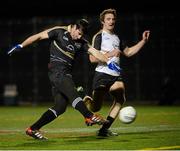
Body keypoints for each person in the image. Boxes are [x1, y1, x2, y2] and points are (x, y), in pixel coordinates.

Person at [7, 18, 121, 140]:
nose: (79, 36)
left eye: (82, 35)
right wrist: (21, 45)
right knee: (74, 94)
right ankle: (89, 116)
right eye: (79, 33)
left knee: (60, 107)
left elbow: (95, 52)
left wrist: (108, 61)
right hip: (57, 72)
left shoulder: (81, 42)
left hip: (64, 74)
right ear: (74, 27)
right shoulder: (59, 31)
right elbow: (38, 36)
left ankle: (33, 129)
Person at [83, 8, 150, 137]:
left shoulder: (117, 38)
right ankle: (89, 102)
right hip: (102, 75)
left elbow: (129, 52)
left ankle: (103, 130)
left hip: (115, 74)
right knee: (96, 108)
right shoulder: (99, 36)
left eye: (113, 19)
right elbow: (92, 59)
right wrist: (110, 54)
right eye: (108, 19)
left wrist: (143, 41)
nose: (111, 21)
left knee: (120, 99)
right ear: (103, 21)